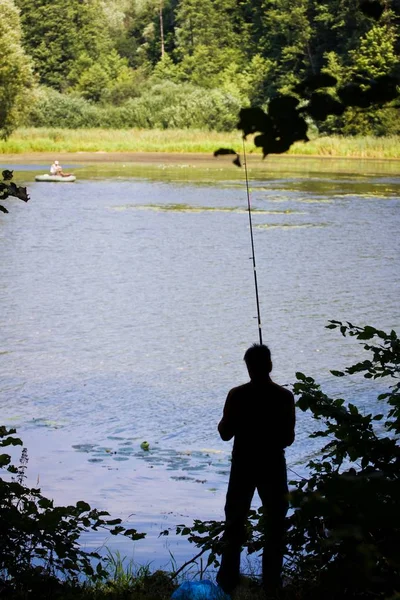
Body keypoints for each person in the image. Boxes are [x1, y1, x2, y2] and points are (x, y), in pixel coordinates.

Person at [216, 344, 295, 596]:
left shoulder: (237, 395)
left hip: (243, 466)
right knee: (275, 524)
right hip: (273, 466)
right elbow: (288, 439)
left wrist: (239, 419)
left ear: (248, 368)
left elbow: (225, 433)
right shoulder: (284, 397)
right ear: (270, 366)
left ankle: (228, 582)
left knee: (234, 523)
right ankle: (272, 584)